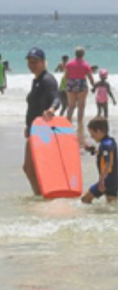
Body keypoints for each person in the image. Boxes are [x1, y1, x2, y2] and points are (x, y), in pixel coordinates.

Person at [23, 47, 62, 195]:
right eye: (30, 62)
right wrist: (28, 126)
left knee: (32, 167)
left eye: (35, 62)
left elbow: (56, 98)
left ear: (43, 62)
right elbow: (34, 106)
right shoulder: (37, 80)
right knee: (30, 167)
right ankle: (41, 193)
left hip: (43, 130)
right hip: (34, 129)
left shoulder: (47, 79)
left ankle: (43, 194)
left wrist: (52, 109)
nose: (32, 65)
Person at [81, 117, 118, 204]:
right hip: (115, 180)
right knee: (112, 206)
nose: (92, 137)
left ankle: (88, 217)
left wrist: (102, 180)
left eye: (92, 134)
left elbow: (108, 162)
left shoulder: (106, 145)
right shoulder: (110, 142)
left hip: (107, 180)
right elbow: (104, 154)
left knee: (85, 199)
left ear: (99, 131)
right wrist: (92, 150)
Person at [65, 47, 96, 136]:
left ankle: (68, 122)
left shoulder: (69, 64)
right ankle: (80, 123)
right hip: (81, 83)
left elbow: (66, 75)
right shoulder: (86, 65)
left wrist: (69, 84)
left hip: (71, 82)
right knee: (81, 106)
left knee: (71, 105)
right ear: (83, 54)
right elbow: (90, 76)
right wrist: (93, 85)